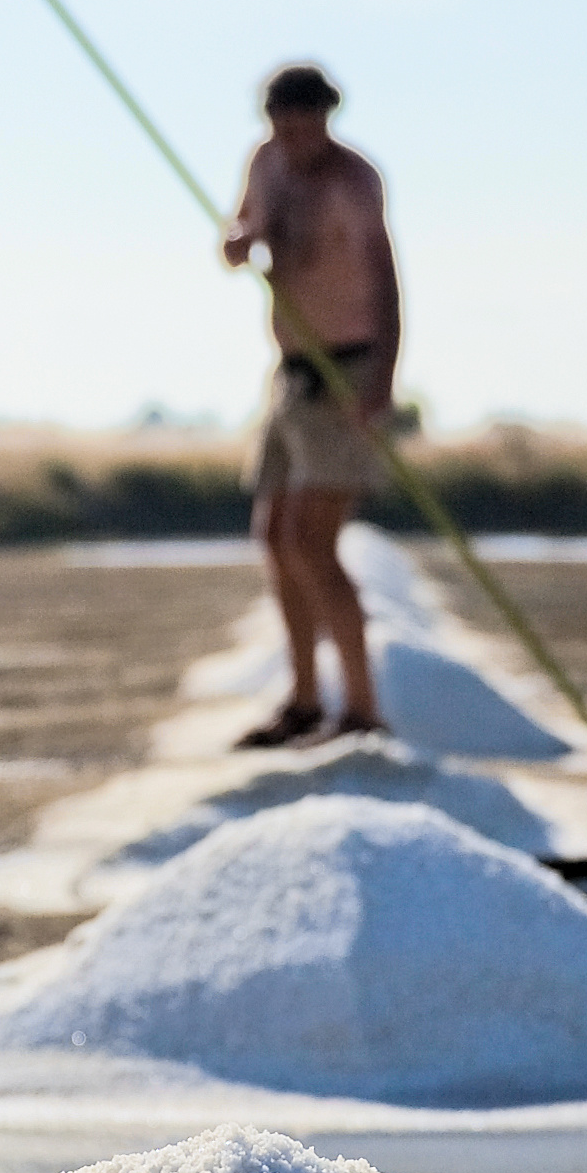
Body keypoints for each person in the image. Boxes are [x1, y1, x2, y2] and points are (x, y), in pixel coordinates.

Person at [218, 61, 399, 749]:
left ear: (327, 116)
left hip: (344, 373)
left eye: (304, 123)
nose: (292, 137)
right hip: (289, 374)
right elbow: (245, 230)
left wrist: (382, 376)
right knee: (273, 537)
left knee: (311, 542)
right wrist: (236, 246)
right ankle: (300, 699)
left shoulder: (354, 182)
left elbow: (384, 277)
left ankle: (360, 709)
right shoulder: (265, 161)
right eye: (280, 124)